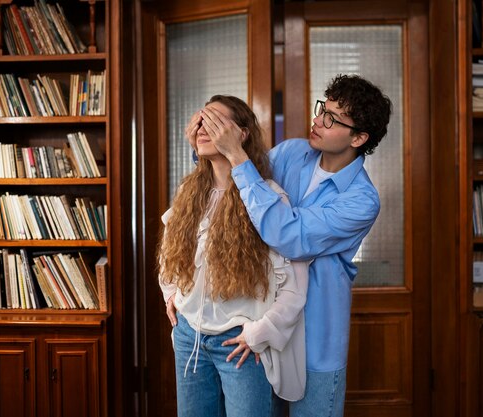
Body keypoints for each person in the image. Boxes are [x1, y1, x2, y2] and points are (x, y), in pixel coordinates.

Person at [197, 75, 392, 417]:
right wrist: (208, 141)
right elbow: (235, 191)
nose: (318, 121)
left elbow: (288, 236)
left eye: (332, 119)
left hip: (316, 339)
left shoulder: (362, 201)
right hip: (262, 325)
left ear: (359, 138)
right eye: (322, 109)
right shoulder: (291, 153)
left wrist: (237, 155)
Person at [158, 95, 309, 417]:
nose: (202, 127)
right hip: (189, 338)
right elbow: (169, 254)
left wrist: (260, 333)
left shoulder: (267, 197)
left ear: (241, 134)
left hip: (239, 344)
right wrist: (171, 292)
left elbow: (295, 284)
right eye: (200, 120)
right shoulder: (189, 194)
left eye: (214, 121)